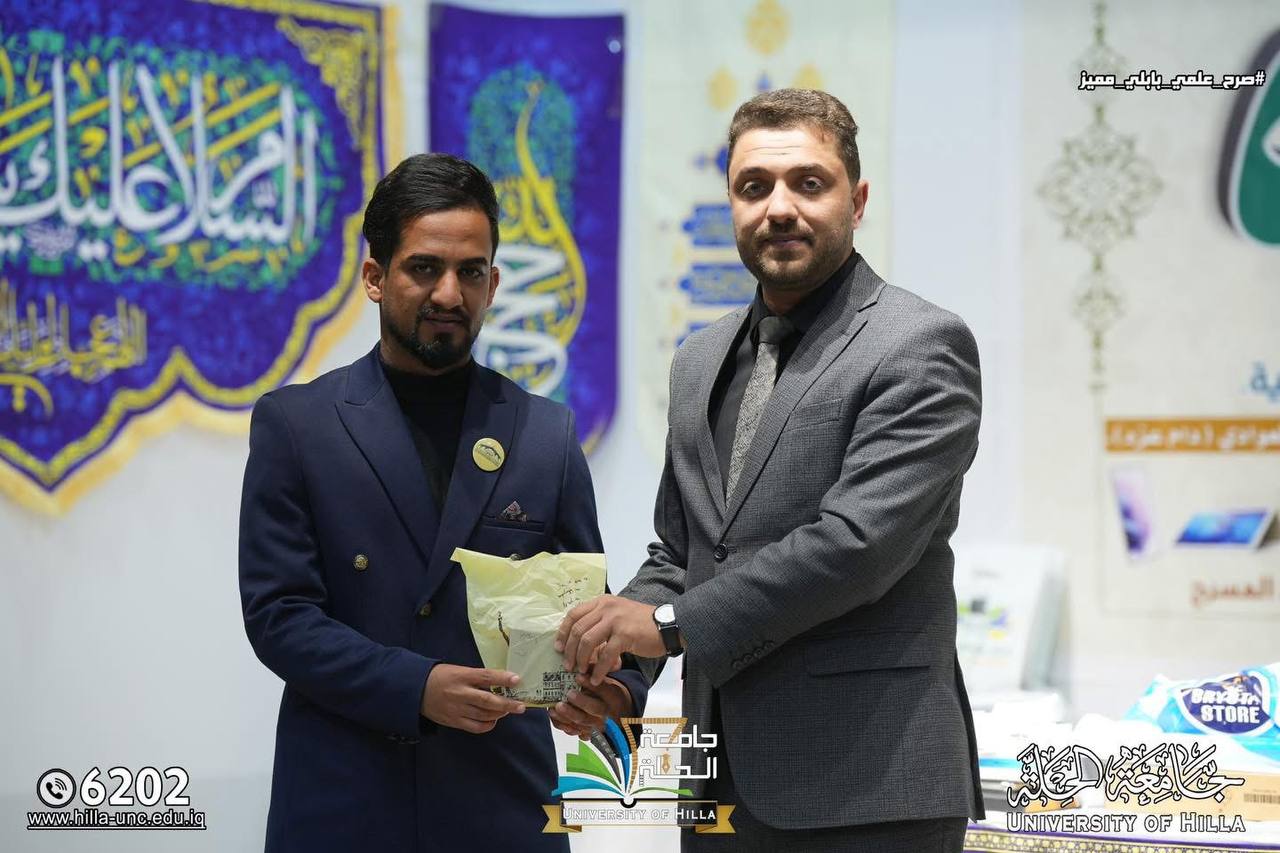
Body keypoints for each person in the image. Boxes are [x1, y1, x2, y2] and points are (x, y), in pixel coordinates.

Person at [556, 89, 985, 851]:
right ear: (731, 203)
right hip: (715, 783)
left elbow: (856, 546)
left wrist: (666, 627)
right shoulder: (699, 361)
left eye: (808, 183)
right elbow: (683, 553)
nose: (779, 207)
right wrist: (621, 675)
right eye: (754, 186)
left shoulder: (919, 344)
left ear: (857, 200)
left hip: (871, 789)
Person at [239, 153, 646, 852]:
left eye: (471, 271)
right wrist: (417, 686)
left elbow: (589, 606)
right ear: (375, 277)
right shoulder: (297, 425)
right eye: (425, 268)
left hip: (501, 806)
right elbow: (280, 616)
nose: (450, 293)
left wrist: (616, 688)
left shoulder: (545, 434)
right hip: (344, 803)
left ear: (494, 283)